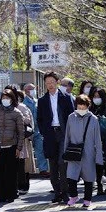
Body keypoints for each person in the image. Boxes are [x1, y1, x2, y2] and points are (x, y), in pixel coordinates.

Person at [37, 71, 75, 204]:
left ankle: (65, 192)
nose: (50, 85)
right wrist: (44, 132)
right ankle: (57, 192)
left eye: (52, 82)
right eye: (47, 83)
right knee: (52, 165)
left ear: (57, 82)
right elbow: (39, 119)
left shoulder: (66, 97)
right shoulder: (42, 100)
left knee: (62, 163)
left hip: (63, 132)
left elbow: (72, 115)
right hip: (50, 134)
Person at [64, 95, 103, 207]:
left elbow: (98, 139)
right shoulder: (71, 117)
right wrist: (65, 153)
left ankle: (87, 199)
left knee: (88, 178)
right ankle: (73, 196)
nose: (81, 109)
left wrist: (99, 157)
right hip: (74, 151)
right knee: (71, 177)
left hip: (89, 152)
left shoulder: (93, 119)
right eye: (79, 106)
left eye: (83, 106)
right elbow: (67, 135)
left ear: (87, 106)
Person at [0, 89, 24, 203]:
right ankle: (0, 195)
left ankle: (11, 194)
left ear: (12, 99)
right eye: (3, 98)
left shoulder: (17, 113)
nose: (5, 100)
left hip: (12, 146)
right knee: (0, 172)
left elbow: (21, 132)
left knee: (11, 172)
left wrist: (19, 147)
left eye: (8, 98)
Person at [89, 87, 106, 195]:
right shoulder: (90, 109)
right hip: (93, 140)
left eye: (98, 96)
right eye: (94, 96)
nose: (96, 99)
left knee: (105, 164)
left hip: (105, 139)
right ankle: (99, 186)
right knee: (97, 165)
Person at [23, 83, 48, 176]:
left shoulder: (37, 101)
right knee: (28, 151)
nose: (33, 90)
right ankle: (27, 170)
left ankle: (43, 169)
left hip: (37, 129)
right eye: (31, 89)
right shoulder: (24, 103)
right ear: (26, 90)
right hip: (28, 130)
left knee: (40, 149)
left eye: (34, 88)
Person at [15, 90, 37, 195]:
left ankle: (24, 186)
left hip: (24, 139)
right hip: (13, 139)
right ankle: (18, 185)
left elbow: (28, 122)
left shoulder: (22, 108)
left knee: (25, 164)